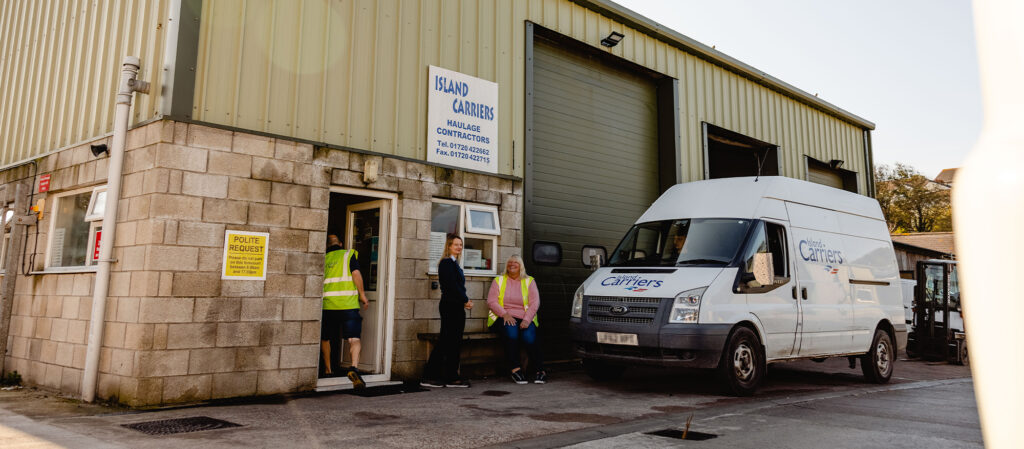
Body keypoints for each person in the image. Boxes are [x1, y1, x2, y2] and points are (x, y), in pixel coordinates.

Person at [420, 235, 473, 388]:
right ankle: (429, 376)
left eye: (461, 245)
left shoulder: (453, 263)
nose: (458, 247)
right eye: (455, 244)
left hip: (455, 306)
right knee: (446, 341)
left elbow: (457, 287)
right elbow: (452, 287)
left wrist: (464, 301)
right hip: (450, 306)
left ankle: (451, 377)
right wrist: (466, 300)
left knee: (454, 342)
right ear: (449, 246)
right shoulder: (446, 263)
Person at [487, 255, 546, 384]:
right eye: (509, 262)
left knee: (529, 337)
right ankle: (516, 370)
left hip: (525, 317)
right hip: (503, 317)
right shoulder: (499, 280)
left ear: (521, 266)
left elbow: (535, 303)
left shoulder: (529, 281)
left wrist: (526, 320)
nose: (512, 264)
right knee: (512, 334)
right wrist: (505, 314)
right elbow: (491, 301)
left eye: (515, 263)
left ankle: (540, 370)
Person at [321, 234, 369, 389]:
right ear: (341, 243)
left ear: (327, 245)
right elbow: (356, 274)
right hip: (348, 305)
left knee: (326, 338)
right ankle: (353, 368)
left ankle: (328, 370)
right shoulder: (348, 254)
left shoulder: (324, 258)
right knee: (353, 338)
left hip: (328, 305)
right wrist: (362, 295)